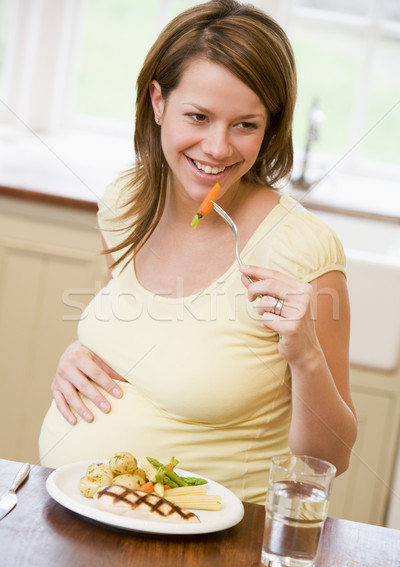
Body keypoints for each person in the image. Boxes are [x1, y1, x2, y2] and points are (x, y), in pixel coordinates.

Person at [39, 0, 357, 504]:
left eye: (245, 125)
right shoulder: (127, 201)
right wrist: (80, 356)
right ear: (159, 102)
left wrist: (308, 358)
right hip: (77, 514)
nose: (217, 147)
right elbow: (144, 338)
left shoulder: (304, 249)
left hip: (204, 550)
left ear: (270, 126)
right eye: (199, 116)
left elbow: (332, 458)